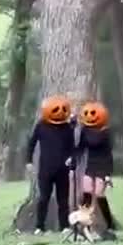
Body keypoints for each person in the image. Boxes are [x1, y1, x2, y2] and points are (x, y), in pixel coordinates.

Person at [25, 95, 77, 236]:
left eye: (63, 109)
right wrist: (28, 161)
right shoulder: (41, 125)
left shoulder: (66, 128)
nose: (60, 112)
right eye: (56, 109)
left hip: (62, 169)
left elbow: (72, 147)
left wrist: (72, 162)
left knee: (63, 199)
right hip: (46, 170)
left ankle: (64, 226)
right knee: (44, 198)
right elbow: (31, 143)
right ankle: (39, 227)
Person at [75, 101, 118, 238]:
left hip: (103, 165)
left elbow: (109, 153)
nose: (89, 116)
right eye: (86, 113)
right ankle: (84, 224)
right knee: (86, 192)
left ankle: (110, 224)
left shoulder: (106, 132)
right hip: (91, 165)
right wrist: (73, 159)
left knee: (99, 194)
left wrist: (108, 174)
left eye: (92, 113)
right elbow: (80, 149)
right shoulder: (85, 131)